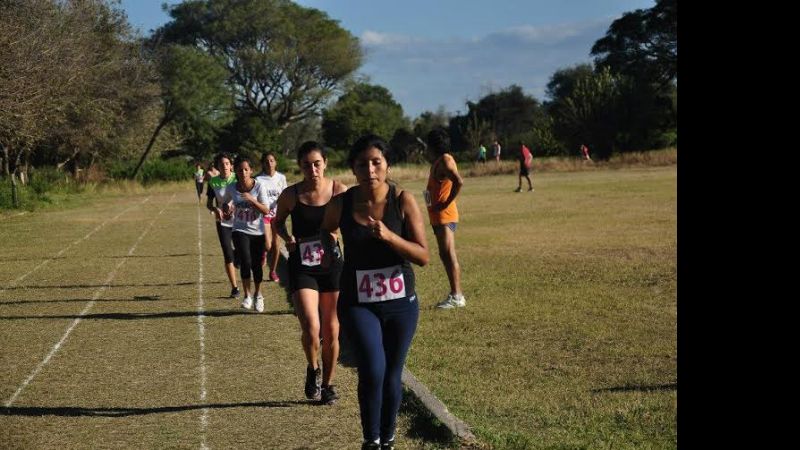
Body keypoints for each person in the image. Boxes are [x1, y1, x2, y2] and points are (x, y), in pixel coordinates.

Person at [320, 134, 429, 450]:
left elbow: (422, 256)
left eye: (376, 162)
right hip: (358, 302)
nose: (369, 169)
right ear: (353, 168)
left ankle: (388, 439)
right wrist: (332, 250)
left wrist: (389, 236)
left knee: (393, 373)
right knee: (372, 368)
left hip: (400, 304)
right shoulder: (341, 203)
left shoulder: (402, 200)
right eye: (362, 164)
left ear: (387, 165)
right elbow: (327, 230)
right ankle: (371, 440)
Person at [272, 141, 347, 405]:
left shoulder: (339, 191)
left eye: (317, 163)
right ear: (300, 167)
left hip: (332, 266)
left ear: (325, 163)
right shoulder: (291, 194)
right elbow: (277, 221)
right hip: (303, 264)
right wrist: (288, 238)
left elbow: (350, 223)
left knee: (332, 329)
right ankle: (312, 368)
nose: (312, 169)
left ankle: (327, 385)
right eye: (306, 165)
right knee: (312, 328)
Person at [222, 155, 275, 313]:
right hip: (239, 229)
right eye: (240, 170)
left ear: (251, 170)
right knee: (245, 261)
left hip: (257, 231)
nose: (243, 172)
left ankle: (258, 295)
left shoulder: (259, 187)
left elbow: (266, 210)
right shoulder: (232, 187)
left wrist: (252, 200)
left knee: (256, 265)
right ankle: (247, 295)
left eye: (246, 169)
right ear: (235, 171)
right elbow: (226, 205)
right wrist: (227, 209)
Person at [425, 127, 466, 309]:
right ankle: (455, 294)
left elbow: (459, 181)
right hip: (438, 216)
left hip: (444, 216)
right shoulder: (438, 161)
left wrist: (446, 203)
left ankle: (457, 296)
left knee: (448, 254)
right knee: (445, 254)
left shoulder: (445, 160)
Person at [206, 153, 240, 299]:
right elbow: (209, 203)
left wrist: (232, 204)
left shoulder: (237, 177)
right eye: (221, 165)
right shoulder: (213, 182)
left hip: (240, 220)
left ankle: (238, 258)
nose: (224, 167)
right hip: (223, 222)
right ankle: (235, 288)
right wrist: (215, 209)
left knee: (241, 252)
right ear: (217, 167)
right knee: (227, 253)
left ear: (231, 165)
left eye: (227, 164)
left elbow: (244, 194)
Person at [256, 151, 288, 283]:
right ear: (263, 164)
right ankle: (264, 252)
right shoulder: (258, 179)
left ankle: (273, 272)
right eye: (267, 161)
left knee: (276, 245)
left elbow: (286, 194)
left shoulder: (281, 178)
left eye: (272, 160)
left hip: (278, 215)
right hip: (264, 215)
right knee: (268, 245)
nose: (269, 163)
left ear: (275, 162)